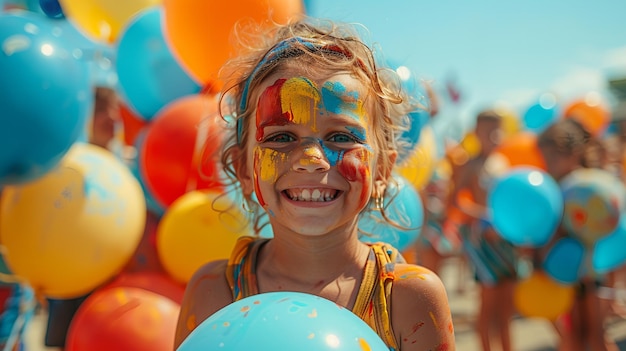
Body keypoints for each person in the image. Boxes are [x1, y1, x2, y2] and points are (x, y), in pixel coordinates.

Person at [174, 18, 455, 351]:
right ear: (243, 169)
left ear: (383, 170)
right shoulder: (214, 292)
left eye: (341, 136)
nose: (311, 158)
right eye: (281, 137)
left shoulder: (408, 300)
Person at [44, 85, 122, 350]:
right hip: (74, 283)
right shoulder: (70, 167)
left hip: (118, 285)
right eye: (102, 110)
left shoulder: (129, 169)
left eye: (115, 110)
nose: (112, 117)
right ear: (84, 117)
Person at [537, 118, 619, 351]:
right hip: (564, 273)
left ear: (574, 153)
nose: (548, 164)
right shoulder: (554, 187)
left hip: (588, 273)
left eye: (554, 157)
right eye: (545, 158)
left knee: (594, 335)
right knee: (572, 337)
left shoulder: (585, 186)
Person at [446, 110, 518, 351]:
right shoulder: (471, 165)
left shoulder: (503, 163)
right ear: (476, 133)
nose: (493, 136)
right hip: (484, 240)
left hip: (505, 239)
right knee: (488, 305)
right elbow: (456, 202)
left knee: (507, 308)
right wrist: (485, 217)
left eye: (497, 130)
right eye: (488, 131)